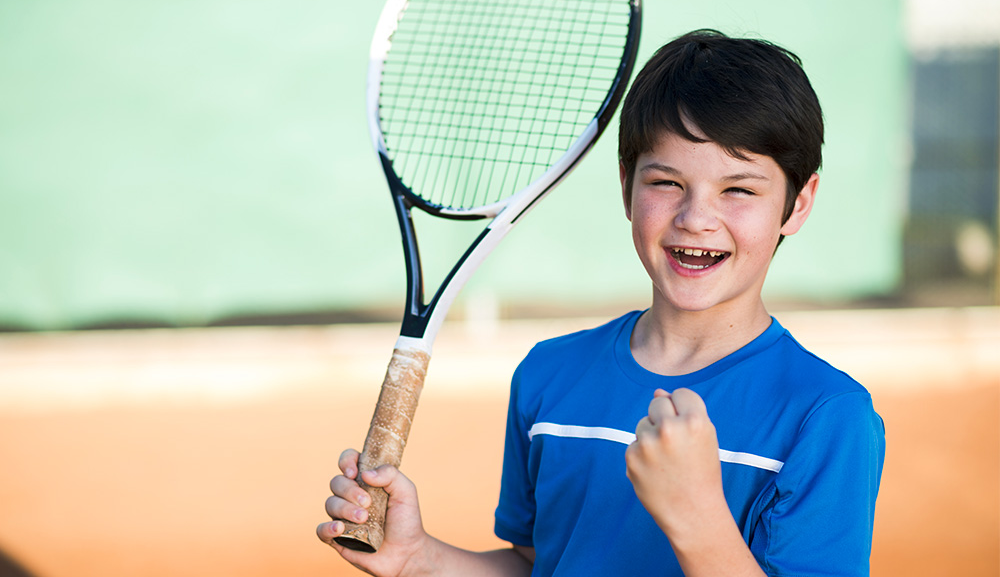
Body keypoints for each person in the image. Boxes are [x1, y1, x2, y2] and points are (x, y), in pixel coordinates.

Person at [317, 29, 886, 577]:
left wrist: (698, 518)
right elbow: (539, 564)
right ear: (625, 185)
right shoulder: (549, 375)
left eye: (739, 189)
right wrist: (421, 559)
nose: (696, 218)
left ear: (798, 202)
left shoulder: (828, 416)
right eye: (666, 182)